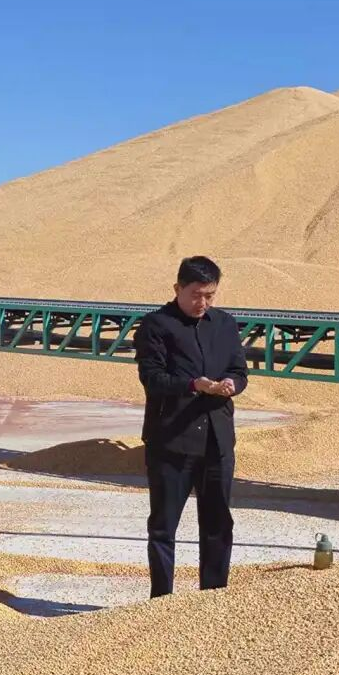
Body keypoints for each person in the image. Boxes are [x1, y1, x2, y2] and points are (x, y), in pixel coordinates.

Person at [132, 255, 248, 598]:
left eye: (210, 295)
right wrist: (193, 385)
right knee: (163, 528)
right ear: (177, 289)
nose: (203, 302)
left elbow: (240, 370)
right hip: (172, 442)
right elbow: (152, 378)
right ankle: (161, 602)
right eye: (196, 294)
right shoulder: (155, 325)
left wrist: (232, 384)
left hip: (217, 441)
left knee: (218, 524)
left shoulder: (225, 324)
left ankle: (212, 599)